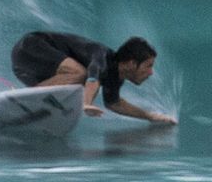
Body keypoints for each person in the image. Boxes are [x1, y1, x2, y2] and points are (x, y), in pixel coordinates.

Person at [10, 30, 176, 125]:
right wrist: (86, 103)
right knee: (79, 74)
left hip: (31, 70)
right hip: (30, 48)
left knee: (64, 94)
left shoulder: (115, 77)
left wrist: (151, 117)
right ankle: (24, 98)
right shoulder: (101, 55)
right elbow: (92, 77)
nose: (151, 72)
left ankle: (25, 103)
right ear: (132, 63)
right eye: (148, 66)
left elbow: (115, 104)